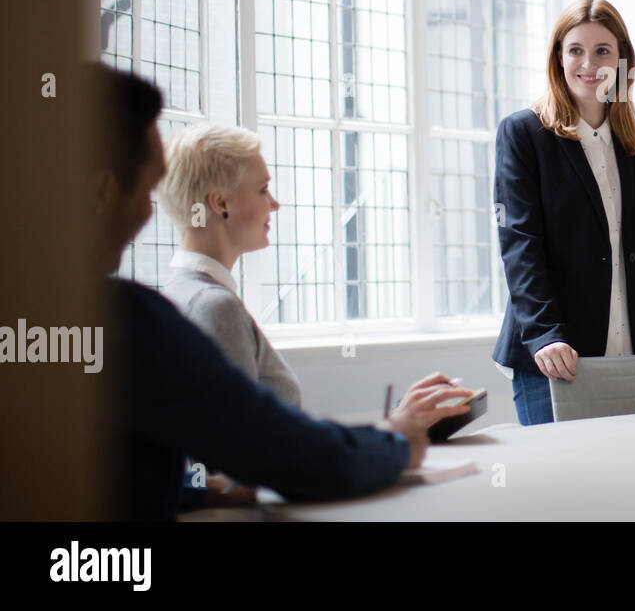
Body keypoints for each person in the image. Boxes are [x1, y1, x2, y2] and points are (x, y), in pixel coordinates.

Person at [89, 64, 475, 519]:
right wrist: (394, 440)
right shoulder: (169, 312)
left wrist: (194, 491)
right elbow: (266, 449)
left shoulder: (147, 306)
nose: (144, 214)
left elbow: (131, 468)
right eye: (264, 188)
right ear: (220, 203)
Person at [491, 0, 635, 425]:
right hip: (556, 357)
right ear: (558, 58)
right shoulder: (525, 134)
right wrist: (544, 335)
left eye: (603, 50)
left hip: (634, 353)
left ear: (621, 61)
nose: (589, 63)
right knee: (563, 487)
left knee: (630, 484)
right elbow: (521, 247)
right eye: (575, 49)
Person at [158, 122, 299, 407]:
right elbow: (241, 448)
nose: (274, 204)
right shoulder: (215, 308)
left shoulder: (179, 294)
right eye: (263, 190)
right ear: (221, 203)